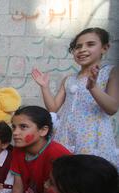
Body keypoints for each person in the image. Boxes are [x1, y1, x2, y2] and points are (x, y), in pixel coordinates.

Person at [31, 27, 119, 168]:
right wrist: (44, 87)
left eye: (90, 44)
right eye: (78, 47)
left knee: (89, 175)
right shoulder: (69, 78)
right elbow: (53, 108)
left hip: (93, 137)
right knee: (66, 175)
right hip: (66, 134)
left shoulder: (111, 72)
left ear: (104, 48)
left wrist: (93, 87)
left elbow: (112, 108)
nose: (82, 50)